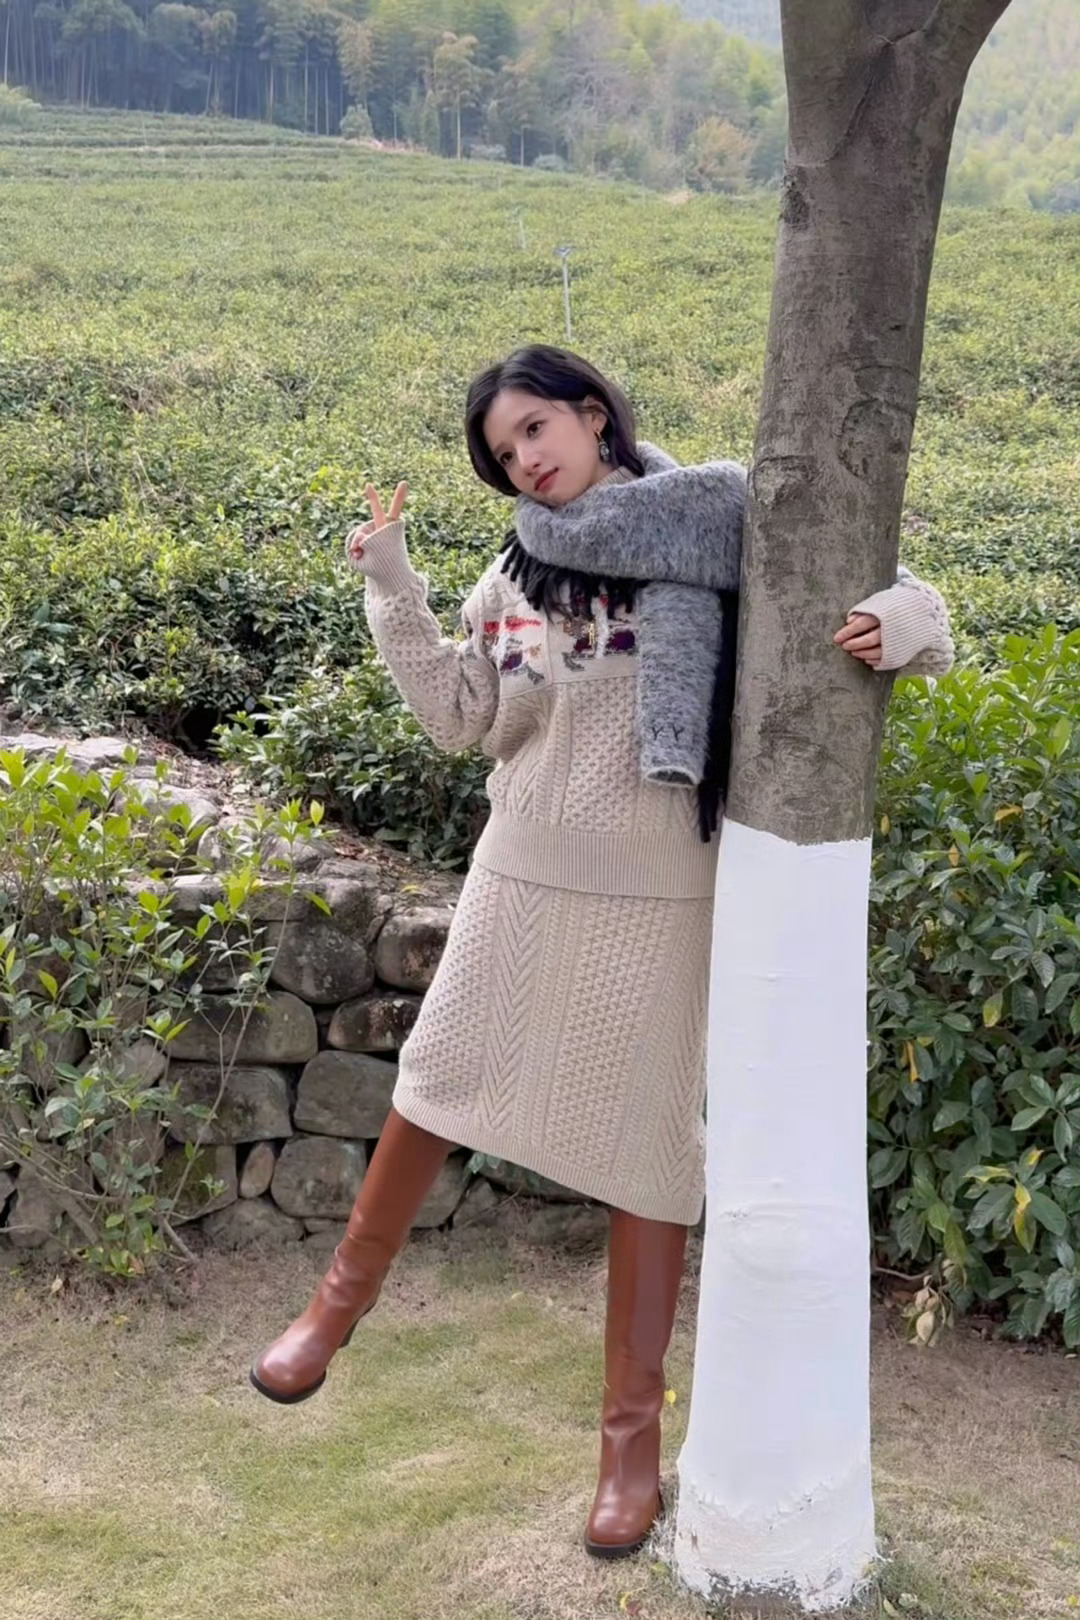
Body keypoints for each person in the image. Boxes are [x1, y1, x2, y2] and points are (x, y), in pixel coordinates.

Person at [250, 345, 955, 1560]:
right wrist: (391, 589)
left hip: (665, 890)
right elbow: (463, 717)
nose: (524, 459)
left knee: (650, 1152)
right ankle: (332, 1311)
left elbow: (906, 598)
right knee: (433, 1082)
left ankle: (630, 1446)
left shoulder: (721, 523)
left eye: (535, 428)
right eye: (502, 451)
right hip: (520, 873)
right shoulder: (513, 572)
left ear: (592, 414)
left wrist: (899, 622)